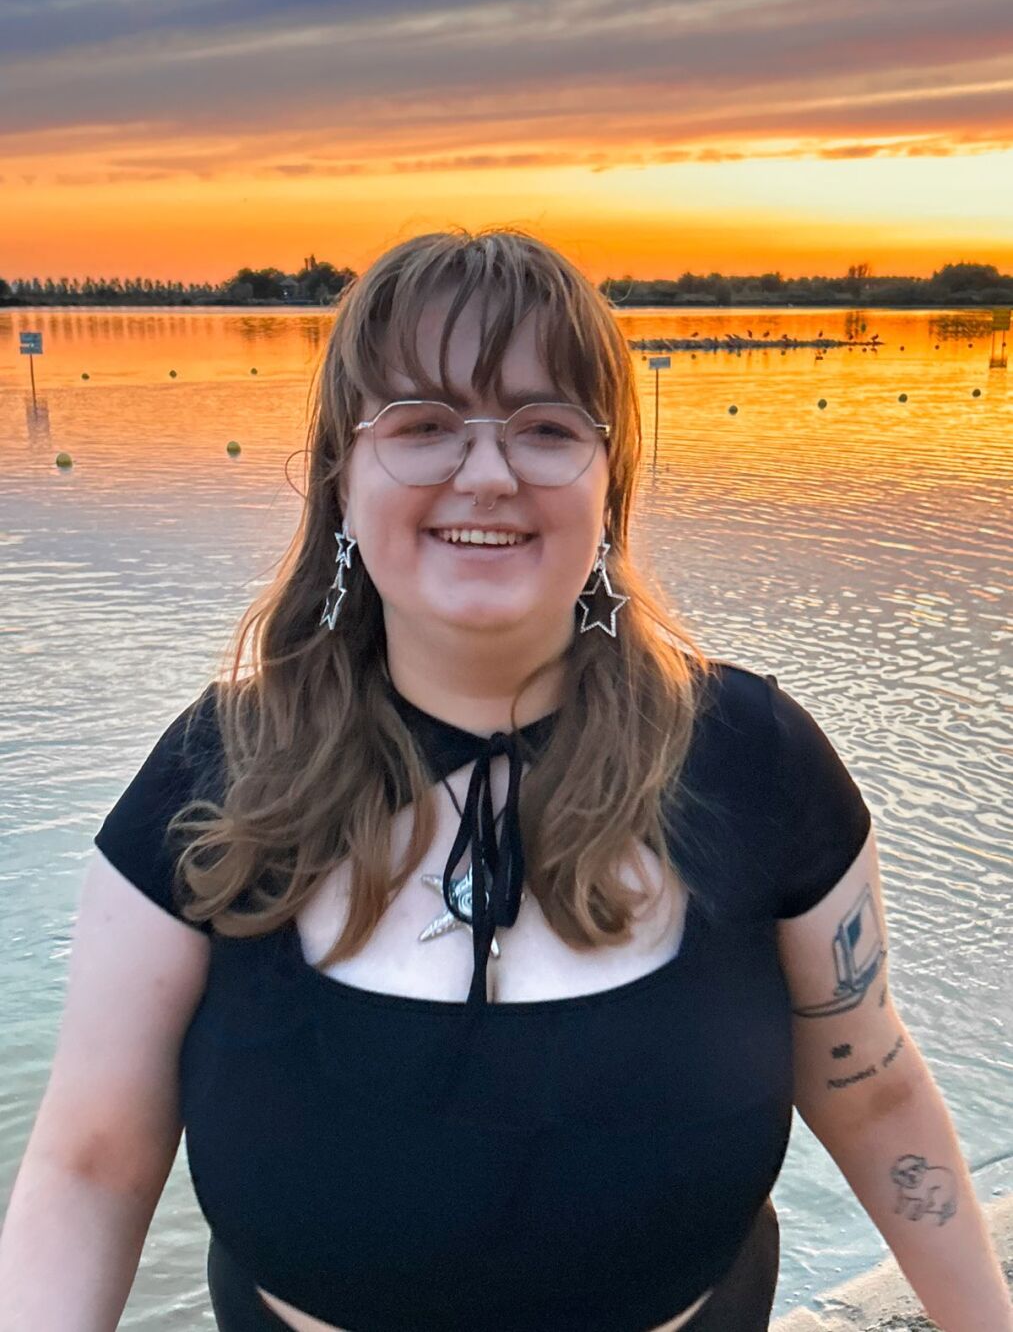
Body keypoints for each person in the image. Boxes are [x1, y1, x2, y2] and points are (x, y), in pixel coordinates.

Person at [1, 229, 1009, 1332]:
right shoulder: (213, 775)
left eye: (544, 426)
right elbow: (93, 1163)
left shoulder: (754, 761)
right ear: (343, 471)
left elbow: (869, 1089)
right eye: (423, 424)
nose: (486, 473)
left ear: (609, 480)